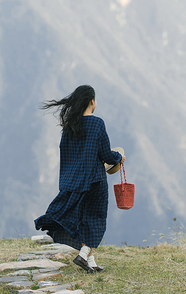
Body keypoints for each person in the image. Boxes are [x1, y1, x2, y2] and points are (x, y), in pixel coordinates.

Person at [34, 85, 126, 273]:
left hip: (74, 182)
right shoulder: (97, 123)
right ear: (92, 101)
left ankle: (90, 263)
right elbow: (106, 155)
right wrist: (119, 158)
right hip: (95, 181)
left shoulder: (70, 126)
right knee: (96, 220)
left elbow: (66, 155)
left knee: (83, 220)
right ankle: (84, 254)